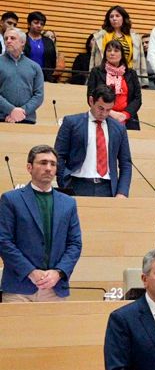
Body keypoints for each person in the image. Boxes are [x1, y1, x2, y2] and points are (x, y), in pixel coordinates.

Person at [0, 145, 81, 302]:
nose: (48, 168)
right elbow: (3, 241)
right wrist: (30, 271)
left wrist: (58, 272)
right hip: (20, 287)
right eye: (43, 163)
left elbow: (75, 244)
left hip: (55, 288)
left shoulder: (68, 203)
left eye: (53, 164)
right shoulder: (11, 199)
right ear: (29, 167)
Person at [55, 85, 132, 197]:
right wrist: (63, 183)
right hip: (77, 184)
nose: (104, 113)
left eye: (108, 110)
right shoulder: (71, 123)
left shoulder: (119, 128)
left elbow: (126, 163)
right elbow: (59, 156)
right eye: (100, 108)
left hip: (108, 188)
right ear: (91, 101)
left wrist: (122, 192)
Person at [87, 39, 142, 130]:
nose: (112, 53)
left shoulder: (131, 73)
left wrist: (124, 115)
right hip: (102, 116)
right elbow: (91, 96)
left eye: (116, 51)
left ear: (122, 54)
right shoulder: (96, 72)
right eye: (109, 51)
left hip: (127, 119)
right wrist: (110, 113)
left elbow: (137, 98)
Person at [89, 5, 149, 87]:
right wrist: (91, 79)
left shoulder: (134, 37)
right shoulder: (100, 36)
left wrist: (144, 82)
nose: (114, 18)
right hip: (104, 75)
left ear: (123, 18)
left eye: (117, 16)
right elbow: (93, 60)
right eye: (111, 16)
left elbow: (141, 61)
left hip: (128, 76)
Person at [0, 27, 44, 123]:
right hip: (2, 118)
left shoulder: (35, 67)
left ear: (22, 42)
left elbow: (39, 95)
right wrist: (11, 110)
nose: (8, 41)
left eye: (12, 38)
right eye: (6, 38)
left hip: (27, 118)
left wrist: (22, 112)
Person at [23, 11, 57, 82]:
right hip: (24, 77)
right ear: (29, 24)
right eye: (36, 22)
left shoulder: (48, 42)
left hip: (44, 78)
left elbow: (52, 62)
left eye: (42, 24)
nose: (39, 25)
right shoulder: (22, 39)